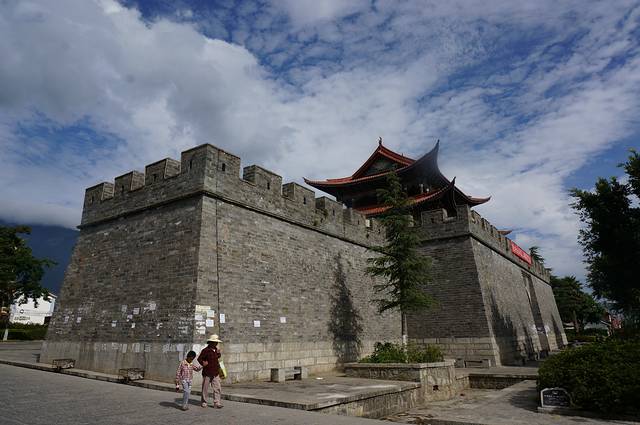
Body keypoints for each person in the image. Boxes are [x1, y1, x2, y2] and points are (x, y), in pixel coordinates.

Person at [197, 334, 223, 408]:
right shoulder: (205, 350)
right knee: (205, 388)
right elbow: (199, 359)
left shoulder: (216, 350)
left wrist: (218, 353)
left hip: (215, 372)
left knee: (217, 388)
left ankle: (217, 403)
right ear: (211, 342)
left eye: (217, 342)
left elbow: (218, 357)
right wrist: (203, 363)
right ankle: (204, 402)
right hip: (207, 372)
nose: (216, 343)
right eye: (215, 342)